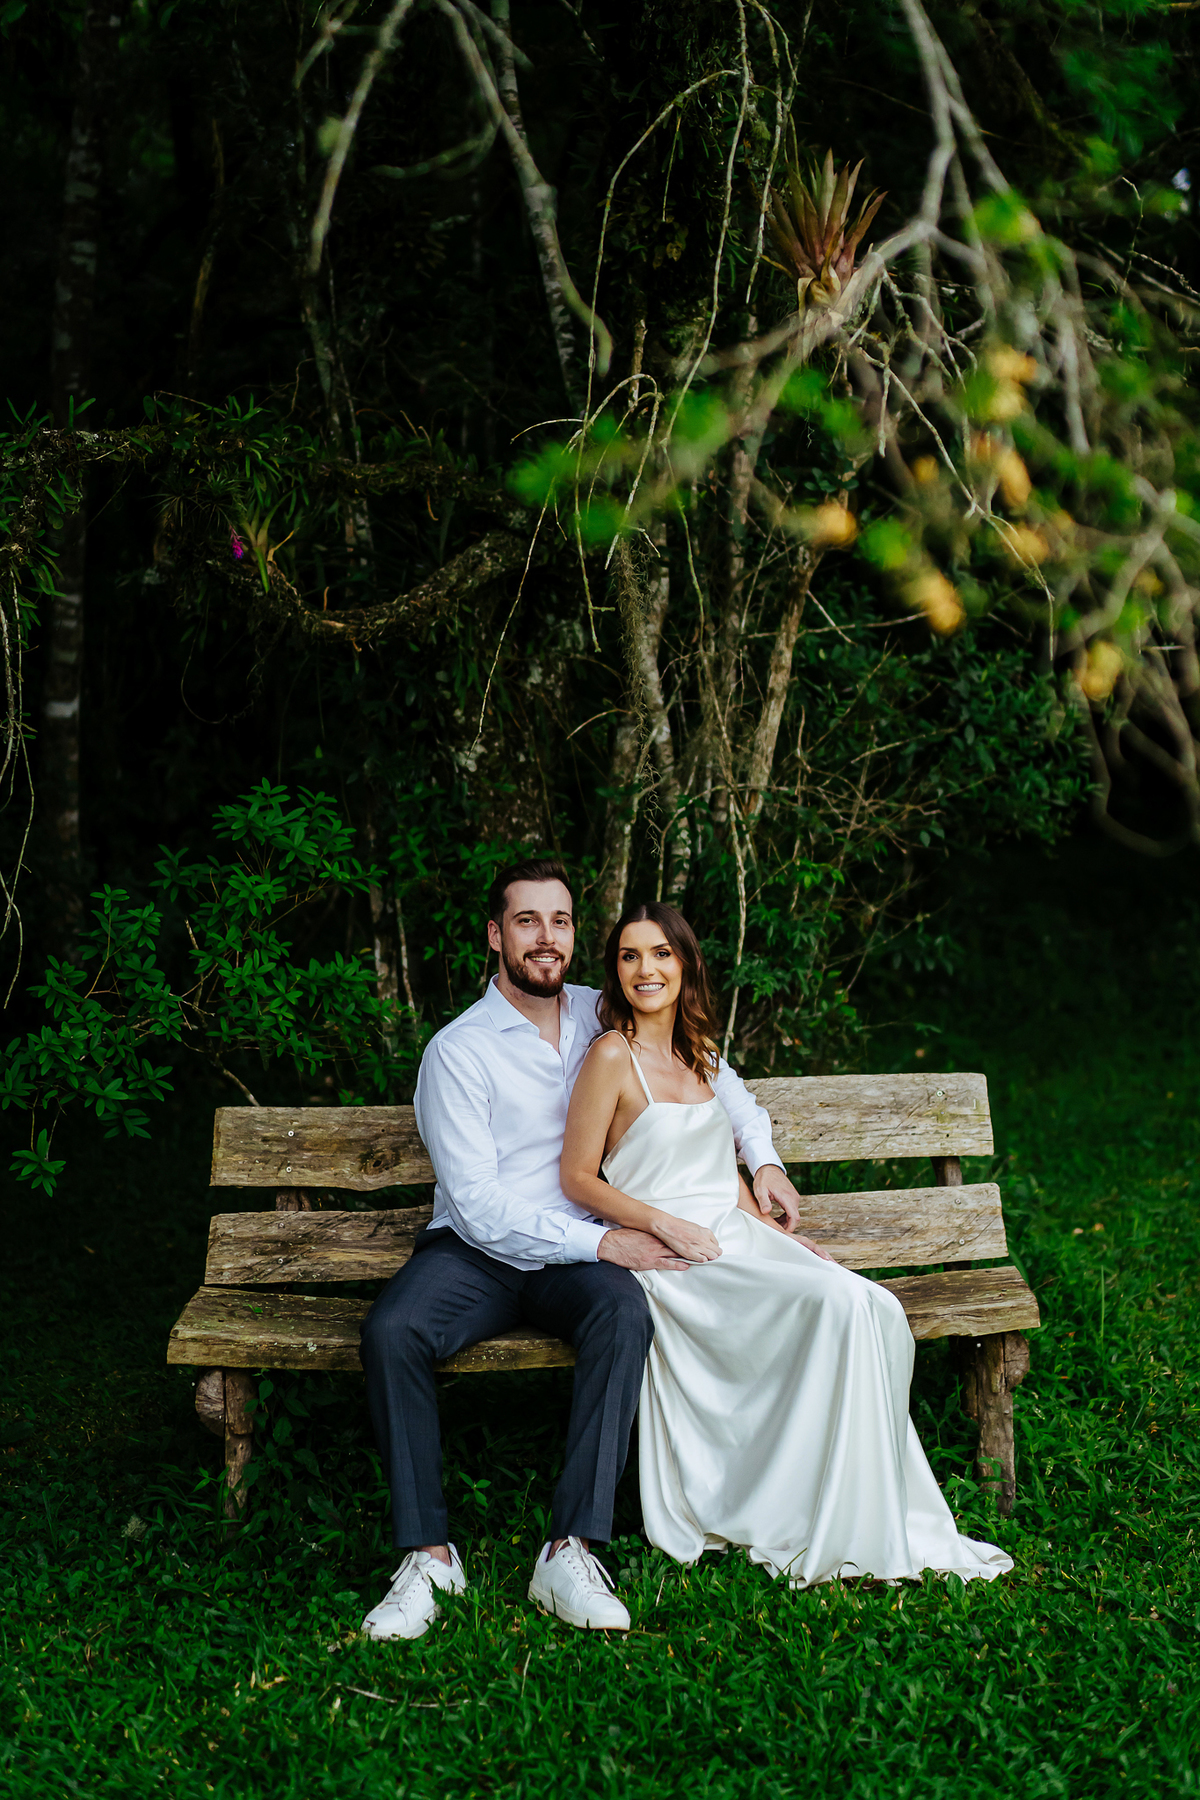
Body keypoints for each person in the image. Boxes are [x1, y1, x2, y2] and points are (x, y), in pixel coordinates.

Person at [358, 859, 805, 1639]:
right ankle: (429, 1556)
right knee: (393, 1331)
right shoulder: (458, 1051)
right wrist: (606, 1240)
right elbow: (479, 1206)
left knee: (622, 1318)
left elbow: (717, 1075)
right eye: (526, 921)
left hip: (579, 1257)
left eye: (559, 921)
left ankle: (571, 1550)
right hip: (478, 1253)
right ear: (496, 936)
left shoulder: (603, 1011)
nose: (545, 937)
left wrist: (762, 1158)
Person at [560, 900, 1014, 1589]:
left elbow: (721, 1168)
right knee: (836, 1308)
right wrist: (658, 1223)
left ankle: (858, 1499)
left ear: (685, 965)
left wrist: (780, 1238)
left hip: (734, 1231)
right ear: (615, 971)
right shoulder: (611, 1056)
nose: (645, 969)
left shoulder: (701, 1055)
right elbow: (577, 1177)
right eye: (629, 956)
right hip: (675, 1258)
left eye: (660, 953)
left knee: (873, 1305)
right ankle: (803, 1507)